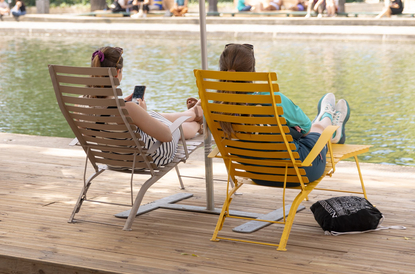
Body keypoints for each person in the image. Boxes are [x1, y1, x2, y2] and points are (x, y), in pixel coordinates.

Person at [218, 44, 351, 184]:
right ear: (252, 70)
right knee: (315, 127)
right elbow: (306, 127)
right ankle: (328, 117)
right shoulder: (269, 97)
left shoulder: (214, 105)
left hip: (257, 174)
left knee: (297, 132)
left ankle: (327, 116)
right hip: (300, 172)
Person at [90, 47, 203, 166]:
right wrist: (141, 112)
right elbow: (167, 136)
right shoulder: (128, 109)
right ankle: (197, 121)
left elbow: (103, 121)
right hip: (148, 156)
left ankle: (194, 116)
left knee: (152, 116)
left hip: (111, 159)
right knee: (173, 127)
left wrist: (125, 103)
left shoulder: (84, 103)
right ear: (117, 73)